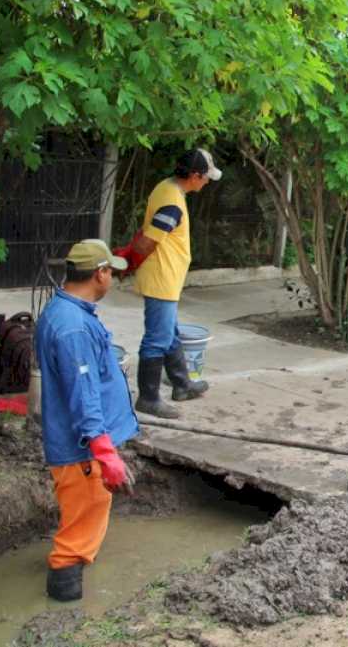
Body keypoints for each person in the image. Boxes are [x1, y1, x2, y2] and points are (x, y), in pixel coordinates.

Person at [34, 239, 138, 601]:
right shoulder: (73, 327)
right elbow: (83, 392)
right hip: (80, 448)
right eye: (112, 272)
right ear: (101, 273)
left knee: (86, 513)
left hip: (79, 442)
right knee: (77, 534)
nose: (112, 279)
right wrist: (103, 450)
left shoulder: (68, 313)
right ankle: (65, 608)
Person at [130, 148, 221, 418]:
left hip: (166, 277)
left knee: (169, 333)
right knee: (157, 338)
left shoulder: (167, 187)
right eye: (206, 177)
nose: (206, 182)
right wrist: (131, 261)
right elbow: (149, 241)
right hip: (162, 278)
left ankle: (182, 385)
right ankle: (148, 398)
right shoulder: (171, 201)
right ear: (194, 176)